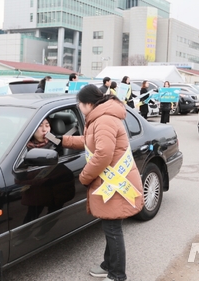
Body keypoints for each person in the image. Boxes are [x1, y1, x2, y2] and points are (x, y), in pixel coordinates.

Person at [59, 84, 143, 281]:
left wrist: (84, 176)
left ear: (88, 103)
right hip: (114, 183)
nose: (79, 107)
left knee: (113, 230)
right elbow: (89, 141)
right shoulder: (101, 117)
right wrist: (61, 140)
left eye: (79, 104)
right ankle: (108, 265)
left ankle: (117, 275)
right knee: (111, 227)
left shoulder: (104, 119)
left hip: (115, 184)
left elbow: (103, 153)